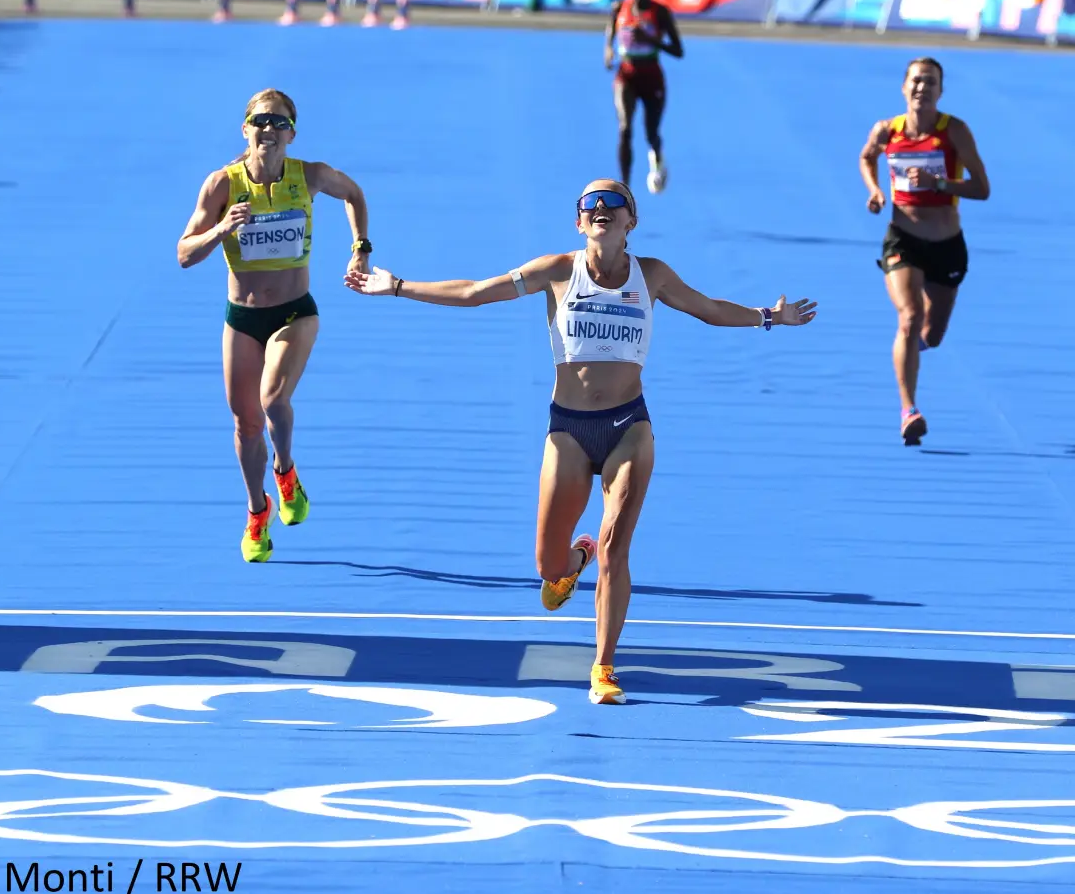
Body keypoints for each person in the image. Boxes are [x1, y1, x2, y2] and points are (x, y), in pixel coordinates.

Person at [345, 179, 816, 705]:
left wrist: (771, 317)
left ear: (630, 221)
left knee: (618, 547)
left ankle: (604, 665)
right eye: (589, 204)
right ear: (578, 222)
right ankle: (573, 562)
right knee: (547, 568)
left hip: (628, 429)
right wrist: (398, 285)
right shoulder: (557, 271)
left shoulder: (652, 275)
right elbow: (477, 292)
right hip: (568, 429)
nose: (601, 209)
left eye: (613, 203)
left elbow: (708, 308)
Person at [177, 88, 374, 563]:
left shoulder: (310, 176)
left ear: (292, 132)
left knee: (272, 399)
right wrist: (221, 229)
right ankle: (256, 510)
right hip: (243, 317)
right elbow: (184, 254)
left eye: (279, 121)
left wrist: (361, 246)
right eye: (261, 120)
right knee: (246, 424)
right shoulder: (222, 185)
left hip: (293, 311)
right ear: (245, 129)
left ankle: (286, 472)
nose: (270, 129)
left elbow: (353, 194)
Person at [859, 58, 990, 446]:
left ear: (940, 92)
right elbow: (867, 156)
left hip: (947, 245)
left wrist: (941, 183)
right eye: (916, 81)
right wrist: (875, 190)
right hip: (903, 239)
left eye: (930, 83)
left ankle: (913, 348)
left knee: (931, 335)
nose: (922, 88)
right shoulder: (887, 131)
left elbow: (982, 189)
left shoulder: (955, 133)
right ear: (904, 87)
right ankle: (909, 410)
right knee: (909, 316)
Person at [604, 0, 683, 194]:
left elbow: (679, 51)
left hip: (651, 77)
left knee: (651, 133)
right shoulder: (620, 7)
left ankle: (658, 157)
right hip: (626, 75)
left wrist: (650, 39)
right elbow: (610, 28)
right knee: (625, 128)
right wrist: (608, 50)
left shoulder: (660, 13)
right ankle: (624, 187)